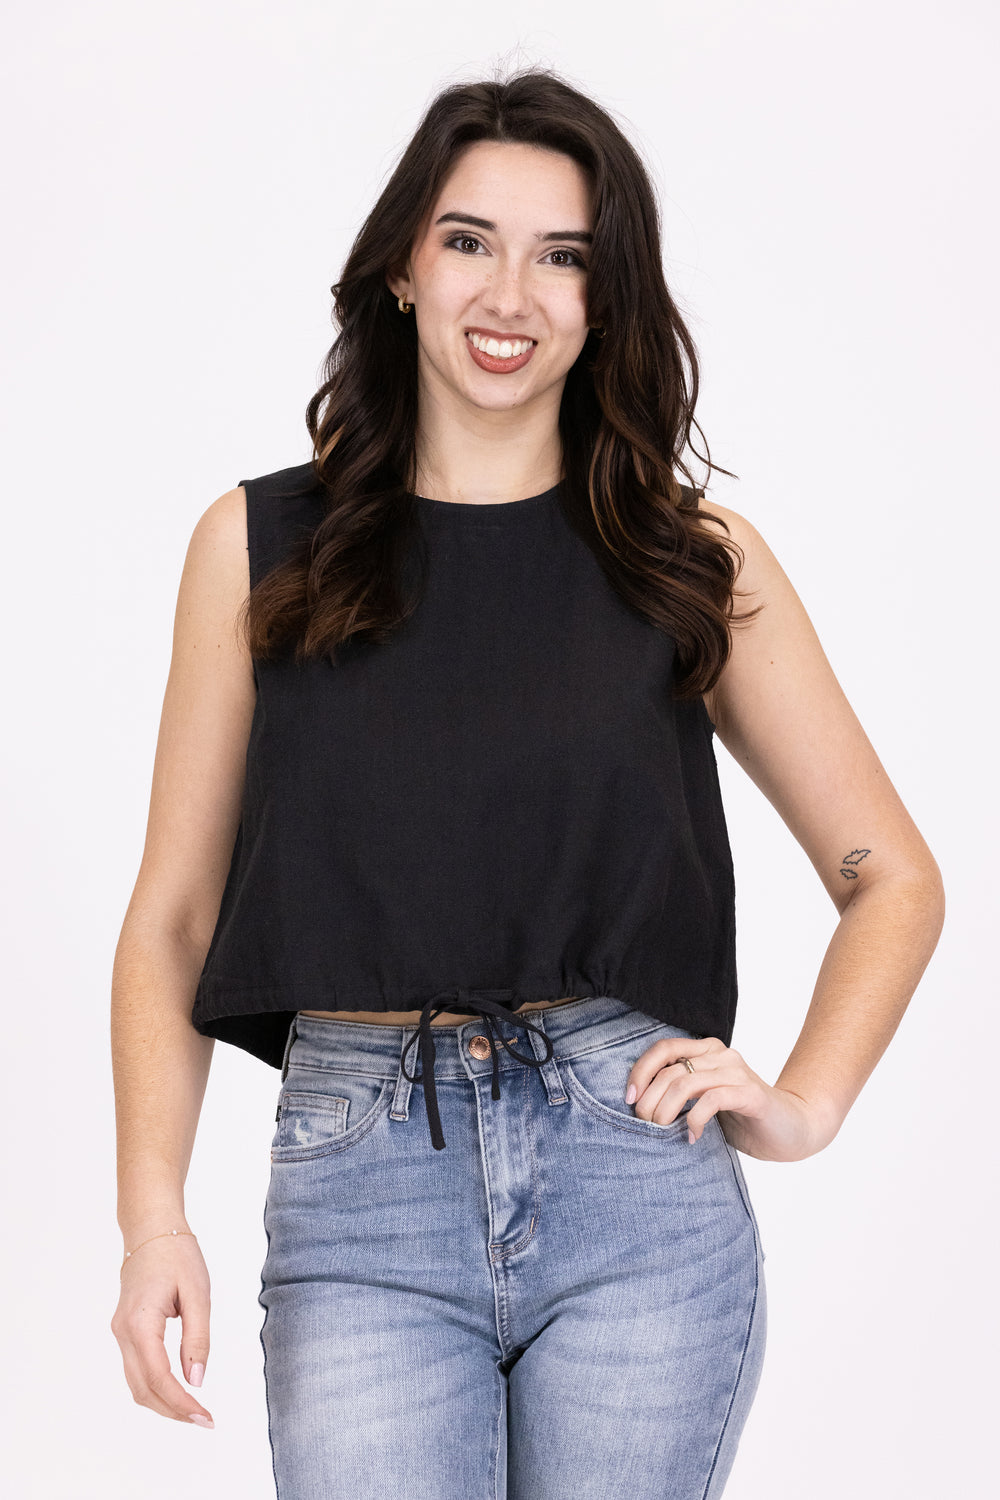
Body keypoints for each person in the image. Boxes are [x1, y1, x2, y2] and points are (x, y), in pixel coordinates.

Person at [110, 67, 945, 1500]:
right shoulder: (255, 547)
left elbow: (891, 877)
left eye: (564, 257)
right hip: (363, 1192)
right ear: (401, 268)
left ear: (605, 300)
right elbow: (175, 919)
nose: (512, 295)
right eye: (468, 241)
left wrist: (804, 1104)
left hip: (638, 1181)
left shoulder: (693, 562)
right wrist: (152, 1221)